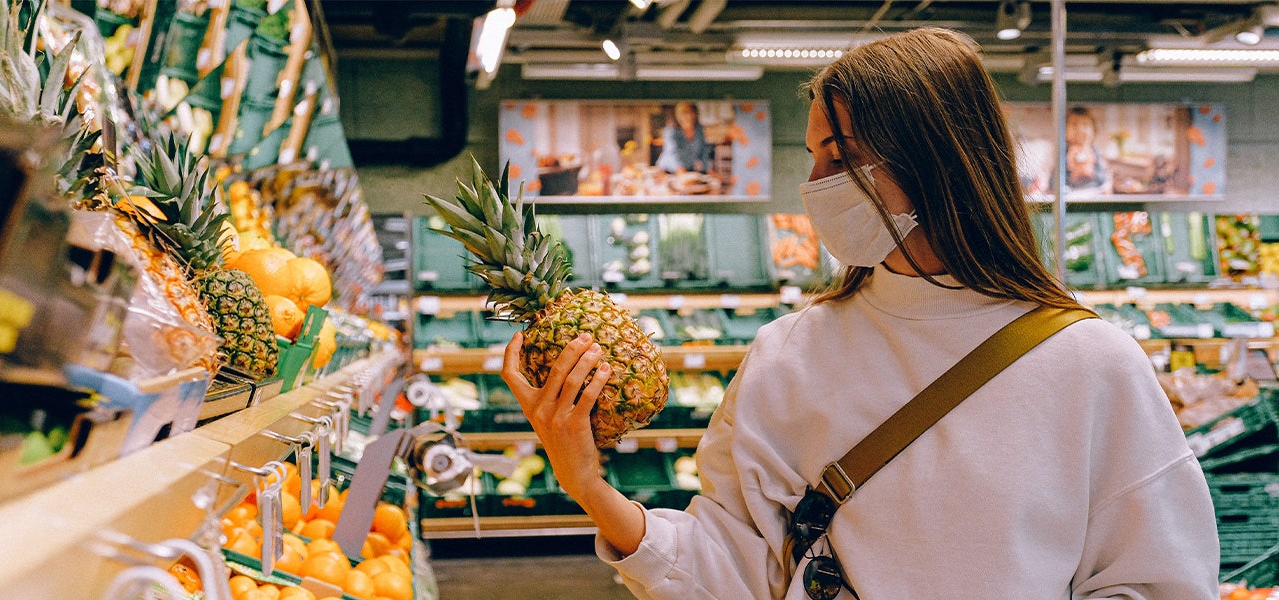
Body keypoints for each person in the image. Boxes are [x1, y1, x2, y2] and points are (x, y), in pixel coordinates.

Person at [501, 28, 1219, 599]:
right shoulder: (791, 353)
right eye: (814, 158)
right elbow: (732, 573)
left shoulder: (1091, 365)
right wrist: (589, 486)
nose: (813, 187)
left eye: (839, 157)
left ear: (936, 158)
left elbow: (1160, 582)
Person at [654, 101, 713, 174]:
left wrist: (709, 170)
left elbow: (704, 152)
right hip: (668, 170)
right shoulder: (671, 131)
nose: (687, 116)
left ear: (695, 113)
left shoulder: (699, 130)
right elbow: (672, 153)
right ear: (677, 115)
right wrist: (681, 172)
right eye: (682, 113)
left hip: (687, 170)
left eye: (689, 111)